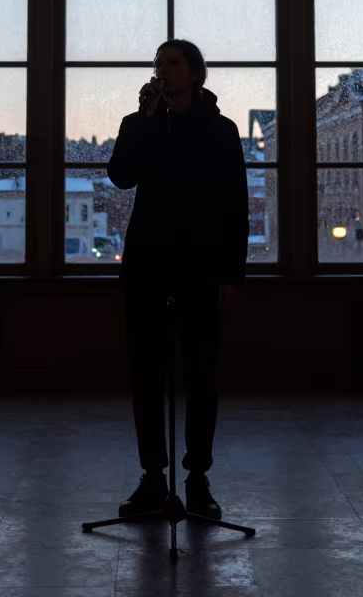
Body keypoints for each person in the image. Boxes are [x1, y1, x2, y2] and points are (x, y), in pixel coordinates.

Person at [106, 38, 250, 521]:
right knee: (147, 376)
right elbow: (121, 176)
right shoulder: (139, 124)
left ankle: (197, 479)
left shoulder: (222, 130)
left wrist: (232, 275)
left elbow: (236, 208)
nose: (161, 70)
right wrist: (144, 120)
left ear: (195, 73)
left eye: (171, 63)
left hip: (201, 268)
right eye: (157, 63)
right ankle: (153, 477)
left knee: (200, 378)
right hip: (148, 266)